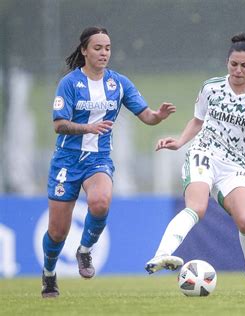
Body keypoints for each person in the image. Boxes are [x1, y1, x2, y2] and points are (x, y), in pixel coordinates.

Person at [145, 33, 245, 296]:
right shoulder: (211, 87)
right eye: (234, 64)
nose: (238, 70)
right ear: (227, 63)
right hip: (204, 153)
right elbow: (197, 121)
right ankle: (162, 254)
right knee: (196, 208)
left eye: (244, 65)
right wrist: (179, 142)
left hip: (235, 167)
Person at [41, 26, 176, 298]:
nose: (104, 53)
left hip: (98, 160)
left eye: (108, 48)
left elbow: (146, 116)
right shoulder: (69, 83)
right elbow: (58, 125)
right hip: (66, 162)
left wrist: (158, 116)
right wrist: (86, 129)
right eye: (98, 48)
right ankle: (49, 274)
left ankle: (85, 251)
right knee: (57, 232)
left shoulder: (118, 83)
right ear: (84, 51)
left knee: (101, 202)